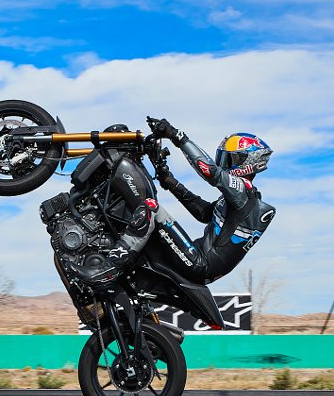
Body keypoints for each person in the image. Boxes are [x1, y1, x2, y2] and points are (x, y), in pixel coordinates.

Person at [71, 118, 275, 288]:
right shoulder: (241, 201)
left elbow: (210, 171)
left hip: (200, 262)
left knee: (151, 207)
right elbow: (204, 213)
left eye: (230, 159)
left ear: (247, 163)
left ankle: (109, 268)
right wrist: (171, 182)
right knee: (142, 222)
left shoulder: (244, 192)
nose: (224, 163)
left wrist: (177, 136)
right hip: (199, 260)